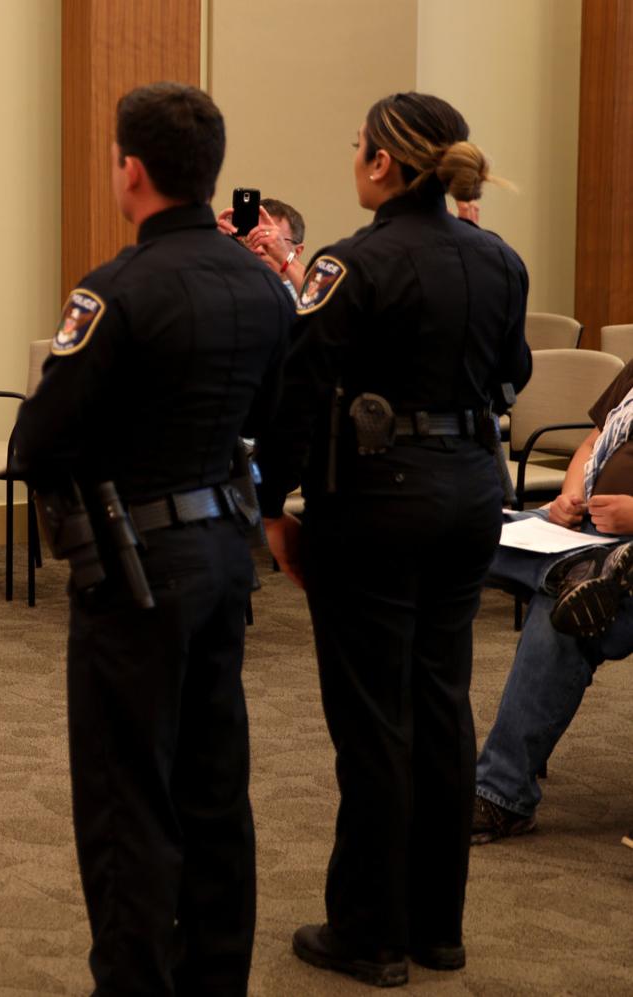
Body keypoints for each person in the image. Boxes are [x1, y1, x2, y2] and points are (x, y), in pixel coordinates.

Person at [12, 82, 292, 995]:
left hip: (136, 569)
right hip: (225, 552)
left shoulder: (114, 290)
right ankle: (215, 978)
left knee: (127, 793)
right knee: (215, 786)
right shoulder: (263, 284)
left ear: (130, 171)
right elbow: (276, 420)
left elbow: (38, 444)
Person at [254, 92, 531, 986]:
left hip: (375, 503)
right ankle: (436, 927)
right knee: (443, 707)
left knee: (375, 721)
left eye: (357, 146)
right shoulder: (500, 258)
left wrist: (271, 506)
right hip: (471, 496)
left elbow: (299, 394)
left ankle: (369, 932)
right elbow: (514, 373)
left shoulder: (350, 263)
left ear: (381, 162)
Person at [473, 357, 633, 844]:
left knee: (565, 614)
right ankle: (570, 567)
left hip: (625, 558)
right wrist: (569, 496)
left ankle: (501, 795)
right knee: (463, 535)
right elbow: (591, 443)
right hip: (582, 535)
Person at [217, 197, 308, 301]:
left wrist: (286, 260)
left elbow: (320, 296)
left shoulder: (307, 297)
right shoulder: (227, 288)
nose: (259, 249)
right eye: (252, 238)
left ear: (297, 251)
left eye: (272, 240)